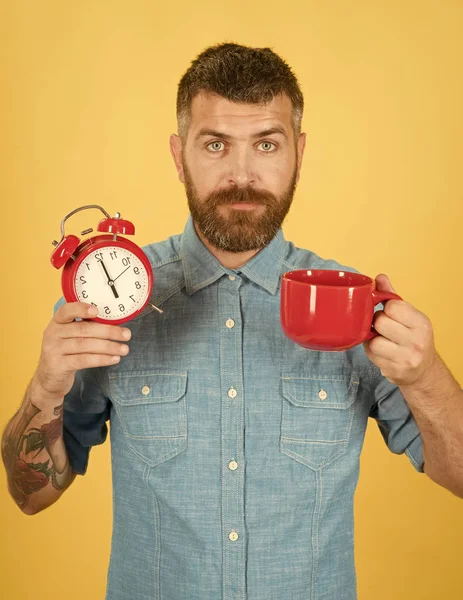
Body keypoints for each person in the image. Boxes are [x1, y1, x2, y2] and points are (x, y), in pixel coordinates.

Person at [2, 42, 462, 600]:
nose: (241, 174)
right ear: (178, 156)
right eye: (215, 144)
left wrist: (427, 377)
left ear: (299, 152)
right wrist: (46, 388)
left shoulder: (356, 308)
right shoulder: (104, 300)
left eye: (266, 144)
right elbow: (31, 496)